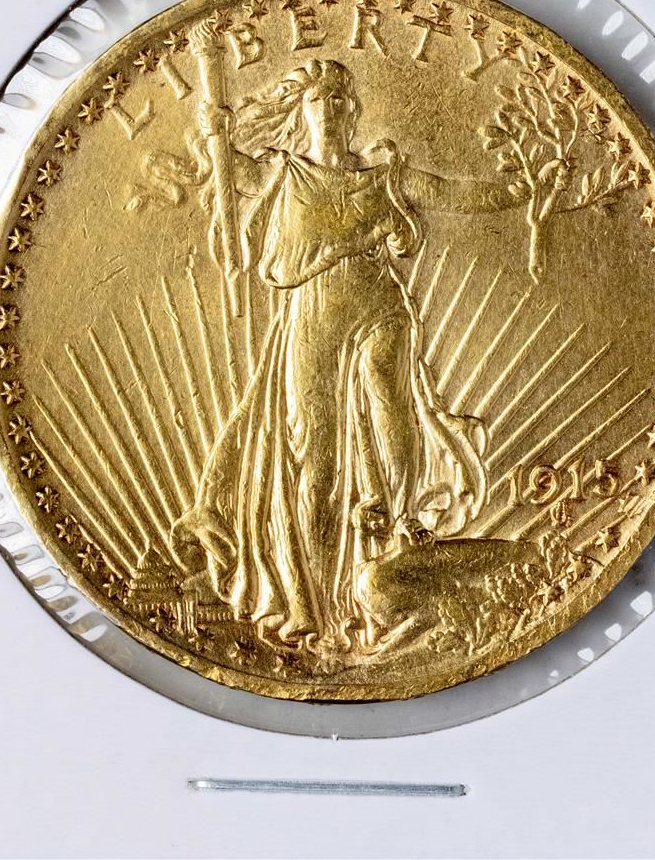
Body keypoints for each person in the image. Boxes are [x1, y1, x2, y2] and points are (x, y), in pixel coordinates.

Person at [169, 59, 529, 654]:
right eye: (320, 100)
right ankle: (316, 603)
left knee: (392, 404)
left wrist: (518, 190)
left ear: (353, 109)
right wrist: (214, 128)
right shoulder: (284, 172)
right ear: (302, 111)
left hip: (379, 305)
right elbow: (233, 170)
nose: (331, 109)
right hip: (313, 317)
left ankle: (398, 526)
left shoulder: (383, 176)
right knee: (316, 458)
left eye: (340, 99)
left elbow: (450, 194)